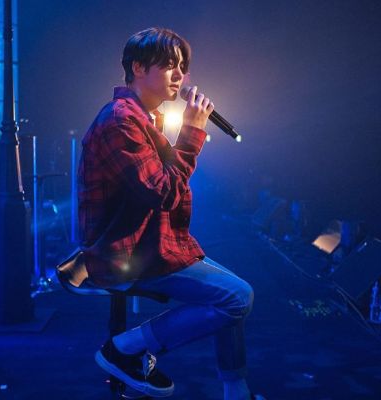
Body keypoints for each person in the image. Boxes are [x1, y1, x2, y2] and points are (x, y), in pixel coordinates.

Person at [77, 27, 256, 399]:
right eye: (170, 65)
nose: (180, 76)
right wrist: (192, 133)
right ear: (138, 68)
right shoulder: (120, 121)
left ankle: (236, 392)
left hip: (152, 244)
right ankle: (124, 348)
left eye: (182, 67)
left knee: (231, 295)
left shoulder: (145, 117)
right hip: (126, 253)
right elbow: (164, 193)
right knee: (237, 297)